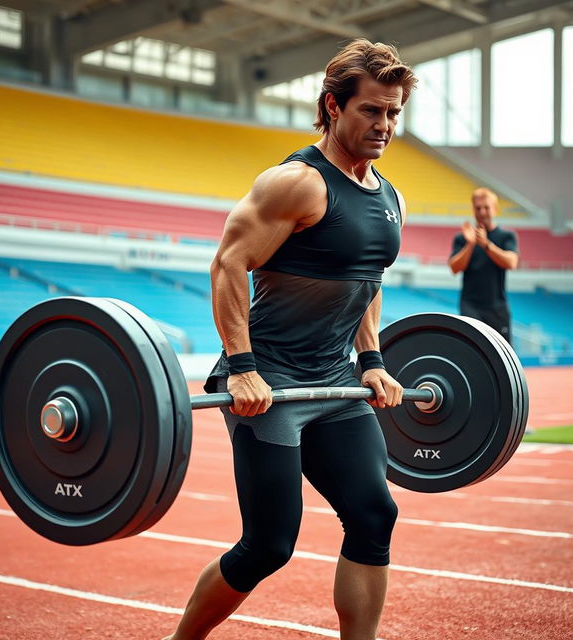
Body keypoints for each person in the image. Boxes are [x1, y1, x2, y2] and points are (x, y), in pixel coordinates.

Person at [163, 39, 417, 640]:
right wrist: (244, 367)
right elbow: (228, 263)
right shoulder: (296, 183)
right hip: (268, 382)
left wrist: (373, 361)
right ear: (333, 106)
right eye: (371, 111)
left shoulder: (390, 197)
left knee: (374, 513)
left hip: (334, 383)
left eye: (393, 113)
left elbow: (367, 283)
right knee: (269, 545)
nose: (384, 125)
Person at [448, 188, 519, 344]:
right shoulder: (462, 238)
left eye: (486, 207)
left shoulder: (506, 236)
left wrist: (486, 244)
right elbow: (454, 267)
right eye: (478, 208)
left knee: (502, 355)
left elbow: (511, 262)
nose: (482, 212)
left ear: (495, 209)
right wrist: (471, 244)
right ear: (473, 209)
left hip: (497, 307)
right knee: (472, 349)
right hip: (470, 305)